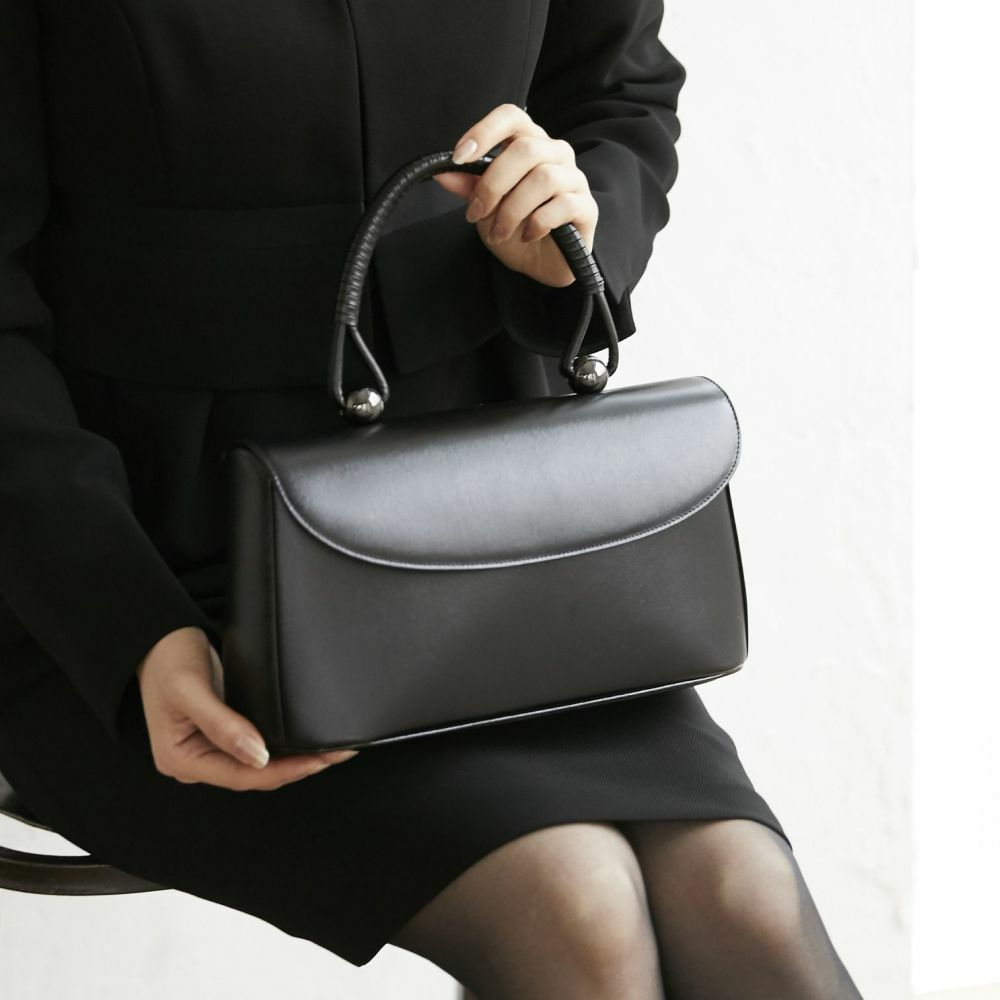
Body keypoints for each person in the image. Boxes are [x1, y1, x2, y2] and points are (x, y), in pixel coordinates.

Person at [0, 0, 864, 994]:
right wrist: (126, 628)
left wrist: (569, 230)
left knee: (740, 893)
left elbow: (617, 94)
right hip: (127, 561)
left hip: (485, 537)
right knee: (573, 905)